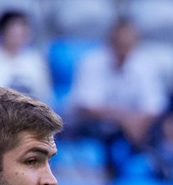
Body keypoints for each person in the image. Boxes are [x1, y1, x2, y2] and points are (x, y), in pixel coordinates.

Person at [68, 18, 167, 166]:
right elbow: (87, 107)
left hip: (134, 130)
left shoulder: (146, 64)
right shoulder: (91, 61)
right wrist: (125, 120)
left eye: (128, 43)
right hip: (94, 130)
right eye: (119, 42)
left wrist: (135, 124)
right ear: (110, 41)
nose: (123, 47)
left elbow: (154, 107)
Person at [0, 10, 54, 105]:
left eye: (24, 28)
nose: (20, 32)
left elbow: (45, 95)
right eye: (15, 28)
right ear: (3, 31)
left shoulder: (35, 60)